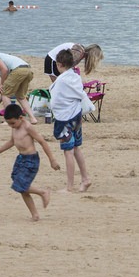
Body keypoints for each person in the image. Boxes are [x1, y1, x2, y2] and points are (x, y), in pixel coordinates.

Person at [0, 104, 61, 221]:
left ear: (21, 118)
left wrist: (52, 160)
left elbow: (42, 142)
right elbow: (12, 142)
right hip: (20, 159)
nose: (11, 126)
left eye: (12, 123)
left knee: (20, 185)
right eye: (9, 123)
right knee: (21, 187)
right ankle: (35, 214)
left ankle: (43, 192)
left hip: (31, 160)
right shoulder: (14, 128)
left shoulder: (28, 127)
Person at [50, 48, 93, 192]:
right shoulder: (75, 76)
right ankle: (85, 178)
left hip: (65, 118)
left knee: (68, 151)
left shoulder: (62, 80)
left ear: (59, 64)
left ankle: (69, 186)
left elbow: (55, 101)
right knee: (76, 148)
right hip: (77, 116)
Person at [0, 50, 37, 123]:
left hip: (18, 70)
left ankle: (10, 119)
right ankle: (33, 118)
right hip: (28, 70)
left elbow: (5, 70)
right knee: (21, 97)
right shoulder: (3, 60)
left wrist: (1, 85)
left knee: (6, 96)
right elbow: (8, 86)